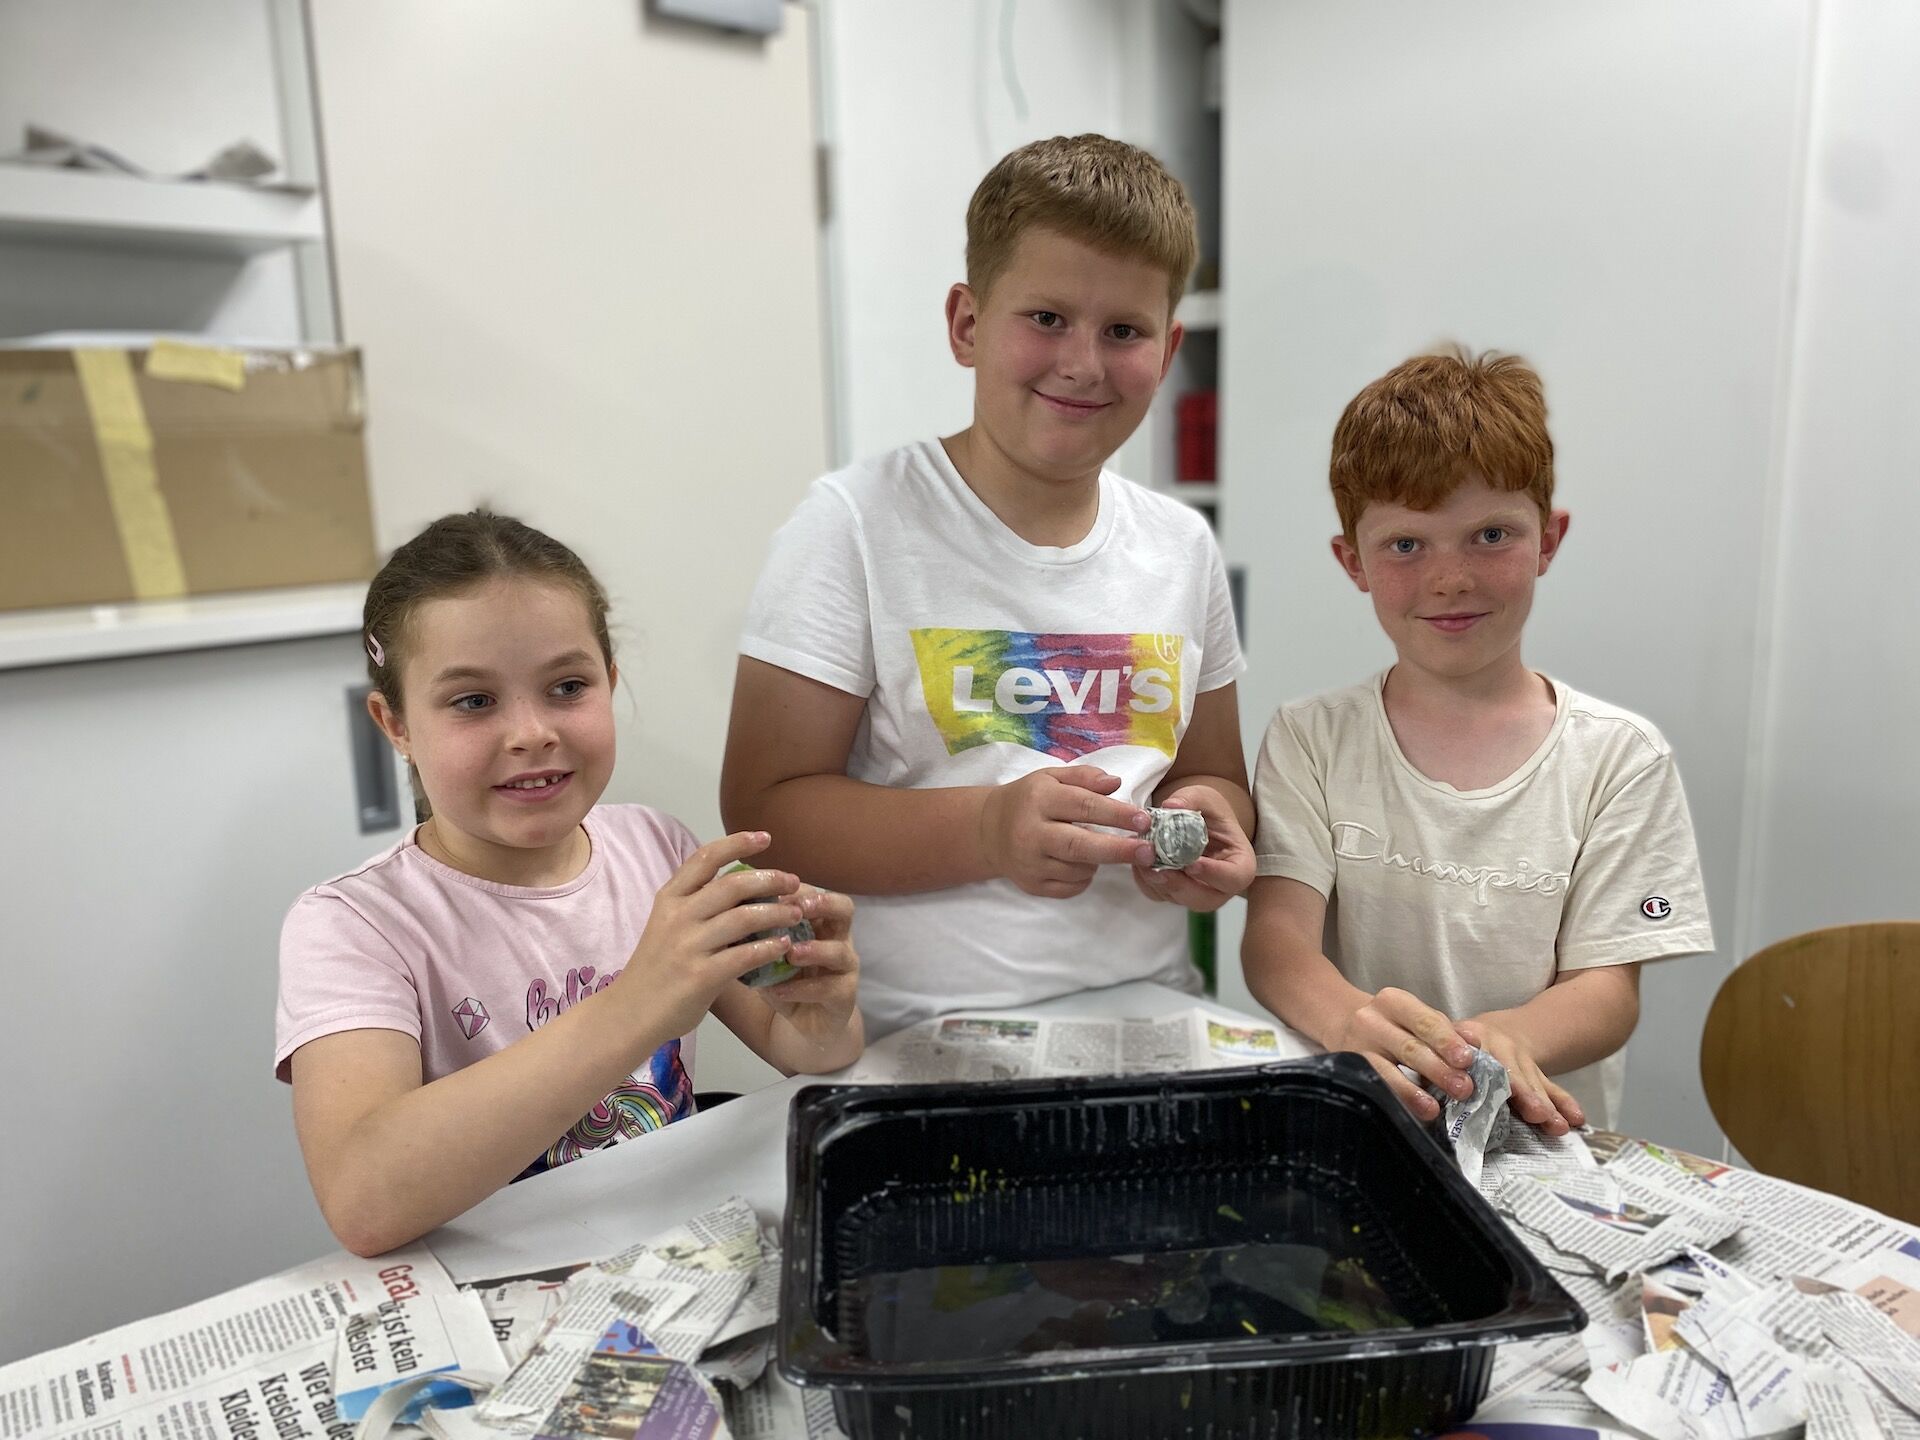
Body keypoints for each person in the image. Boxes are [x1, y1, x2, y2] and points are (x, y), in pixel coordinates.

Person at [720, 134, 1254, 1035]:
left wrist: (1208, 822)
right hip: (914, 1035)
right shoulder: (852, 525)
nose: (1083, 363)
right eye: (1046, 318)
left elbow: (1213, 776)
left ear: (1167, 350)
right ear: (967, 324)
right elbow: (767, 811)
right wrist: (987, 831)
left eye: (1123, 331)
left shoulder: (1181, 546)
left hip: (1150, 1021)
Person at [276, 511, 862, 1257]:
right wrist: (641, 1001)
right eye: (473, 701)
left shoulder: (657, 849)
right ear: (396, 725)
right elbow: (362, 1201)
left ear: (609, 684)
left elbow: (799, 1049)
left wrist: (821, 1016)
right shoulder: (351, 925)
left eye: (567, 686)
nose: (532, 732)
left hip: (676, 1254)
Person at [1242, 349, 1712, 1134]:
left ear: (1549, 540)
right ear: (1352, 562)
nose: (1450, 578)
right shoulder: (1310, 738)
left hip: (1537, 1146)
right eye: (1406, 545)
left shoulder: (1621, 759)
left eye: (1490, 535)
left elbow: (1608, 988)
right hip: (1360, 1129)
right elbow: (1277, 943)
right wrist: (1350, 1022)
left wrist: (1506, 1038)